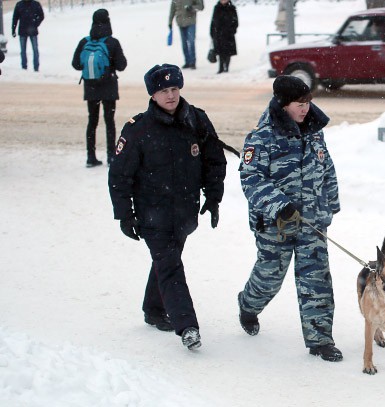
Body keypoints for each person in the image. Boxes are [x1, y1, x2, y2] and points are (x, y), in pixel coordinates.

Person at [108, 64, 227, 351]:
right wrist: (125, 216)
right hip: (152, 214)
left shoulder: (196, 119)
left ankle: (153, 309)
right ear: (153, 95)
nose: (171, 95)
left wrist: (213, 197)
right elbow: (119, 176)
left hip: (185, 212)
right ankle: (186, 325)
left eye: (174, 89)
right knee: (170, 265)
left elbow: (214, 160)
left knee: (166, 262)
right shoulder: (138, 129)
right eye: (164, 91)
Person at [237, 75, 343, 362]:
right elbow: (250, 178)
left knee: (316, 280)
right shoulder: (262, 137)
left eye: (308, 102)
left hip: (312, 221)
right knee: (270, 277)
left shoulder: (314, 131)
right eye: (299, 103)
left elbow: (327, 167)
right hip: (275, 225)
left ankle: (320, 340)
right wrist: (279, 205)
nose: (305, 108)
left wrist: (330, 204)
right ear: (283, 104)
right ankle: (248, 305)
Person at [72, 9, 127, 168]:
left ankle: (91, 156)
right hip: (108, 86)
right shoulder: (112, 42)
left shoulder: (85, 42)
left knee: (92, 121)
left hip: (91, 88)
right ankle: (111, 156)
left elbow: (76, 64)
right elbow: (122, 65)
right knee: (109, 122)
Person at [169, 0, 204, 69]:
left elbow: (201, 6)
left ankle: (192, 62)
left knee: (191, 42)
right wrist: (170, 22)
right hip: (180, 23)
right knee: (184, 44)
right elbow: (172, 9)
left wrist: (192, 8)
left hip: (190, 22)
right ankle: (187, 62)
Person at [11, 0, 44, 72]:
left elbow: (41, 16)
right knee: (23, 50)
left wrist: (36, 23)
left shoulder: (35, 4)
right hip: (23, 30)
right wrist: (13, 29)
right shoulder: (19, 5)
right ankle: (24, 67)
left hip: (32, 30)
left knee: (35, 50)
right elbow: (15, 18)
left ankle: (36, 67)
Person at [210, 0, 238, 74]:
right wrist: (212, 32)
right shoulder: (217, 8)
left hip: (228, 34)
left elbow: (235, 21)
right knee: (220, 52)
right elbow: (213, 21)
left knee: (228, 52)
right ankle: (221, 67)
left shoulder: (231, 8)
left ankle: (226, 67)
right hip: (218, 34)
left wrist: (232, 30)